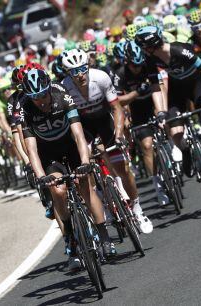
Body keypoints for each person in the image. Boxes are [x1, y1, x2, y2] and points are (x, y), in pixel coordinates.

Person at [19, 68, 115, 268]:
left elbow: (79, 135)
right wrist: (40, 176)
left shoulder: (61, 95)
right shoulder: (26, 108)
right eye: (35, 98)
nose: (41, 101)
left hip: (70, 144)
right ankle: (70, 234)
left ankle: (105, 238)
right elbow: (32, 150)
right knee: (58, 191)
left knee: (84, 185)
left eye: (43, 95)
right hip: (47, 152)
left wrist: (86, 162)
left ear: (48, 90)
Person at [59, 48, 153, 232]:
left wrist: (119, 135)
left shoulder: (100, 77)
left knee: (122, 169)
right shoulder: (65, 88)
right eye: (74, 71)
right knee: (85, 169)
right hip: (84, 126)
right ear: (68, 73)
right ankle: (102, 198)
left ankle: (137, 208)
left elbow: (117, 108)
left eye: (82, 69)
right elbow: (71, 123)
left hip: (105, 122)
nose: (80, 75)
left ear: (88, 66)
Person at [135, 25, 201, 194]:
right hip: (176, 93)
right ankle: (186, 151)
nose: (144, 50)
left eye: (145, 46)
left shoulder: (179, 50)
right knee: (176, 133)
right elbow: (156, 88)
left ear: (152, 44)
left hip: (197, 87)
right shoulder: (150, 60)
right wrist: (160, 112)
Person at [113, 41, 172, 216]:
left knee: (166, 121)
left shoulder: (150, 64)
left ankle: (173, 147)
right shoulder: (120, 74)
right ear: (127, 62)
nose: (137, 68)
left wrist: (161, 111)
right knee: (147, 146)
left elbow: (158, 88)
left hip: (152, 102)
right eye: (133, 65)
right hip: (136, 109)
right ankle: (159, 186)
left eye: (139, 65)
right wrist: (136, 93)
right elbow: (119, 102)